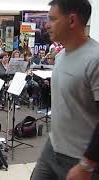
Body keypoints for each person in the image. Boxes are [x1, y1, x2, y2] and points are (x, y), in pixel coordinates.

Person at [31, 0, 99, 180]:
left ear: (72, 21)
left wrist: (87, 164)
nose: (46, 24)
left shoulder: (95, 60)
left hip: (80, 159)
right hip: (53, 147)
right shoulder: (60, 57)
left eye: (52, 19)